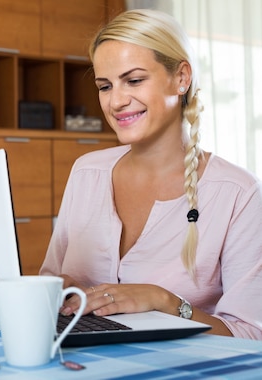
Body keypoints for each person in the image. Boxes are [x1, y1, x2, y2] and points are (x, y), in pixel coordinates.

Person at [39, 9, 262, 339]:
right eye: (105, 86)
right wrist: (56, 292)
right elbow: (50, 282)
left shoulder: (238, 193)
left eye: (134, 80)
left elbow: (251, 336)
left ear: (181, 78)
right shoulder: (87, 172)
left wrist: (163, 301)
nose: (116, 101)